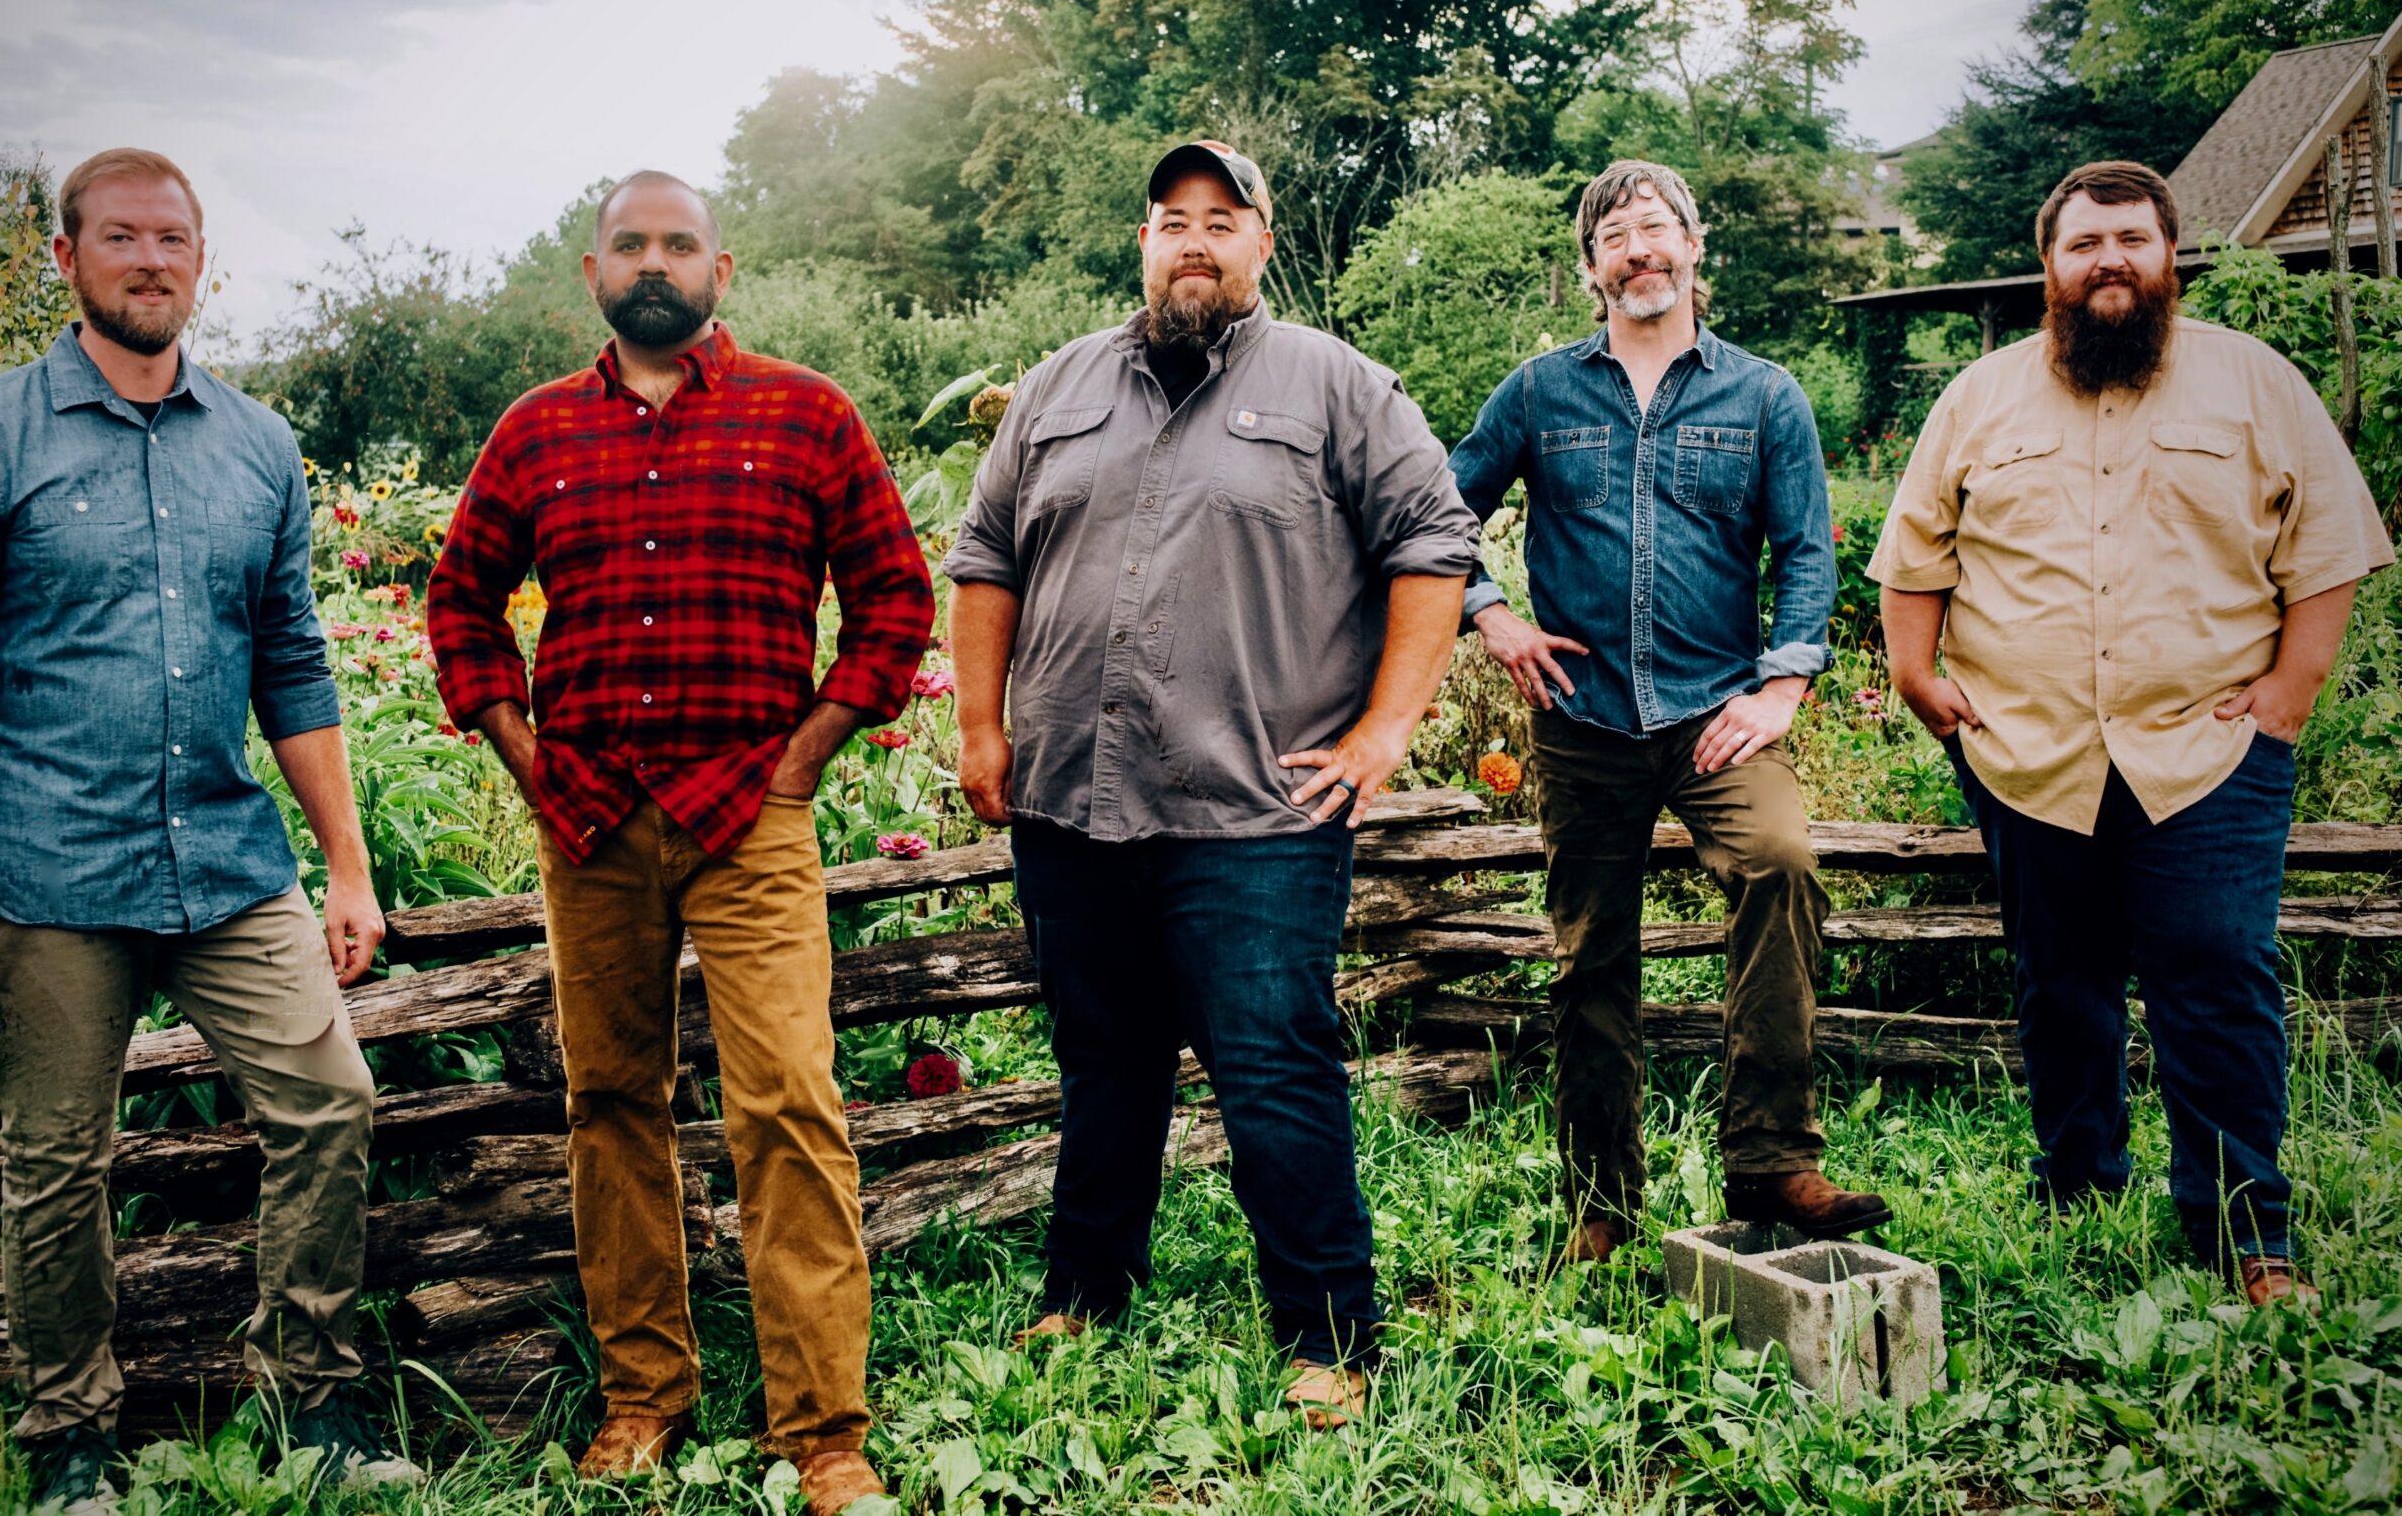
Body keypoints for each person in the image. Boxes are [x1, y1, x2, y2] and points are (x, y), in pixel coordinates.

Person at [0, 148, 416, 1506]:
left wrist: (344, 864)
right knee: (57, 1160)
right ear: (68, 258)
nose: (151, 258)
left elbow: (293, 662)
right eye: (120, 235)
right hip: (51, 874)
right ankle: (70, 1436)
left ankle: (315, 1397)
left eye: (174, 236)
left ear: (201, 256)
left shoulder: (259, 443)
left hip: (229, 863)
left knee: (330, 1100)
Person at [944, 139, 1477, 1426]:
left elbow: (1435, 547)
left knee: (1271, 1062)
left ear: (1262, 242)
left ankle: (1330, 1332)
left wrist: (1384, 733)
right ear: (1141, 241)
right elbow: (983, 559)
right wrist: (978, 726)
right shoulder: (1058, 386)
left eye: (1221, 219)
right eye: (1170, 220)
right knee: (1103, 1057)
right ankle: (1085, 1287)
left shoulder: (1340, 388)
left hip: (1255, 810)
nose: (1194, 239)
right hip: (1074, 793)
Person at [426, 171, 931, 1510]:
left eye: (680, 243)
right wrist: (523, 753)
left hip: (748, 811)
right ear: (594, 270)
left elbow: (894, 601)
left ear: (724, 266)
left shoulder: (807, 413)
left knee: (788, 1103)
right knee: (611, 1104)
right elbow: (461, 601)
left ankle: (821, 1429)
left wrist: (804, 758)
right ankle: (643, 1395)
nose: (657, 261)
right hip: (587, 817)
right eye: (631, 243)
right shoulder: (534, 433)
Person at [1872, 160, 2393, 1306]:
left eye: (2131, 240)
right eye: (2083, 244)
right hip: (2025, 750)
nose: (2109, 259)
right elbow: (1914, 556)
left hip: (2206, 752)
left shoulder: (2255, 385)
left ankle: (2246, 1234)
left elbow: (2330, 551)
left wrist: (2286, 702)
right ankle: (2079, 1186)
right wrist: (1917, 679)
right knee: (2060, 982)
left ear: (2169, 256)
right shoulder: (1980, 398)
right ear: (2048, 268)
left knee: (2215, 976)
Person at [1446, 159, 1887, 1264]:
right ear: (1587, 266)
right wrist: (1491, 615)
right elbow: (1434, 515)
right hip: (1582, 719)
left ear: (1696, 249)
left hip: (1716, 716)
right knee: (1590, 957)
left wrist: (1784, 681)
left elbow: (1806, 553)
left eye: (1657, 229)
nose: (1638, 250)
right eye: (1614, 236)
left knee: (1778, 861)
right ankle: (1602, 1203)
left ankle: (1771, 1159)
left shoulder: (1764, 394)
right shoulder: (1539, 392)